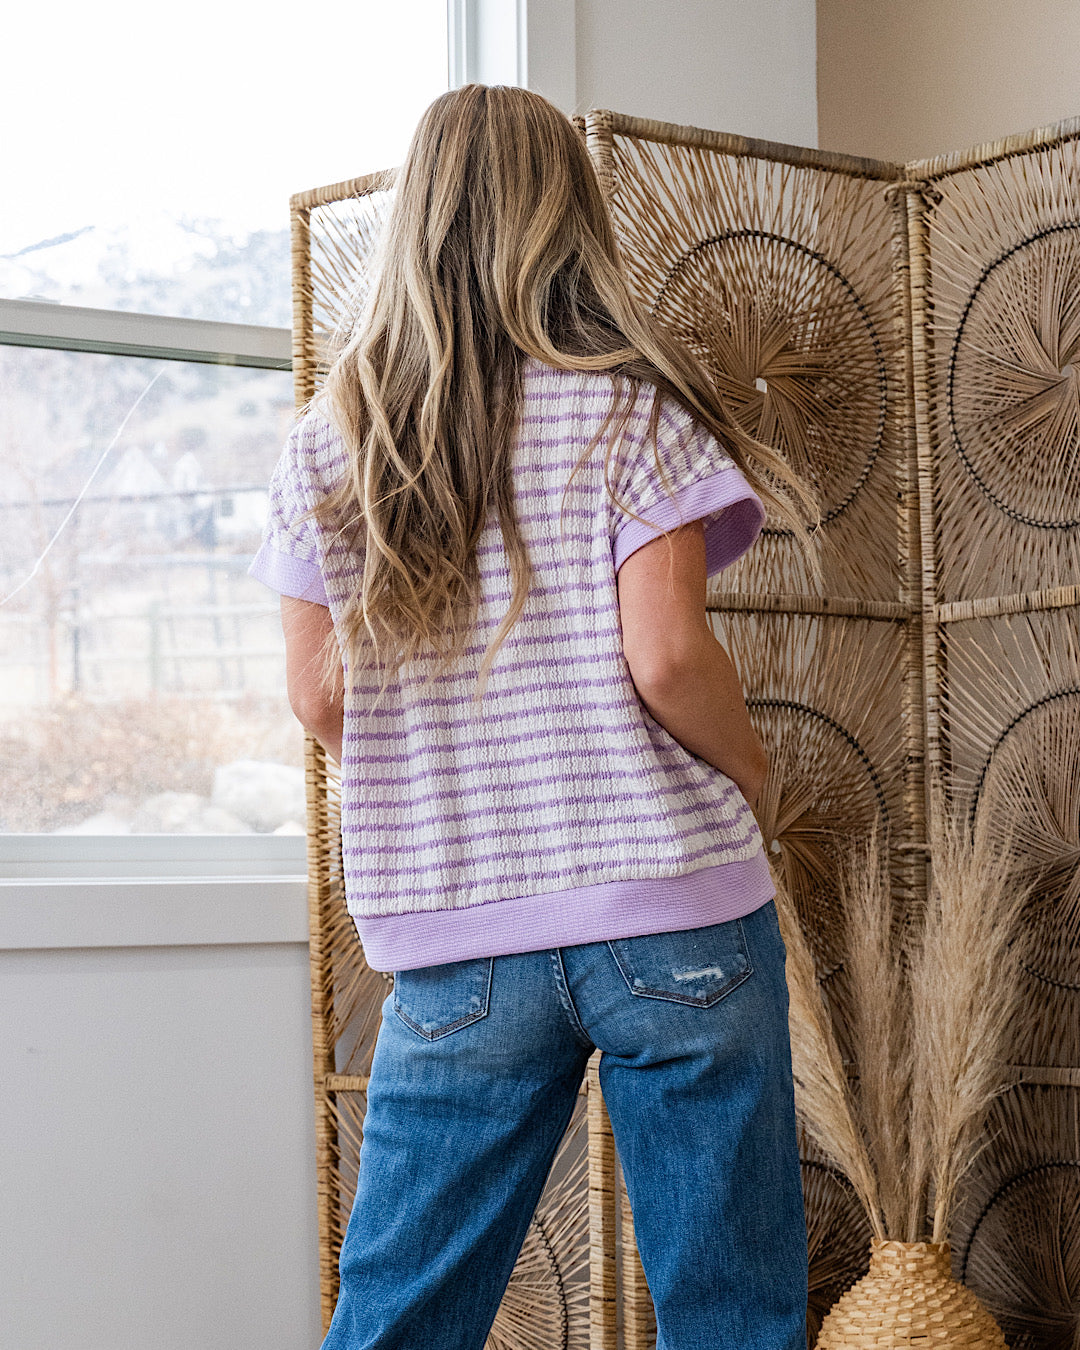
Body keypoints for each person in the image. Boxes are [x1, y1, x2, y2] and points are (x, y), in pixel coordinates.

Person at [250, 82, 822, 1350]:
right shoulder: (633, 411)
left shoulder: (335, 441)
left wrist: (430, 768)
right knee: (732, 1315)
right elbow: (668, 660)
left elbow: (320, 693)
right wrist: (755, 772)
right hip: (672, 905)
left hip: (457, 930)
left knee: (399, 1316)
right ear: (569, 216)